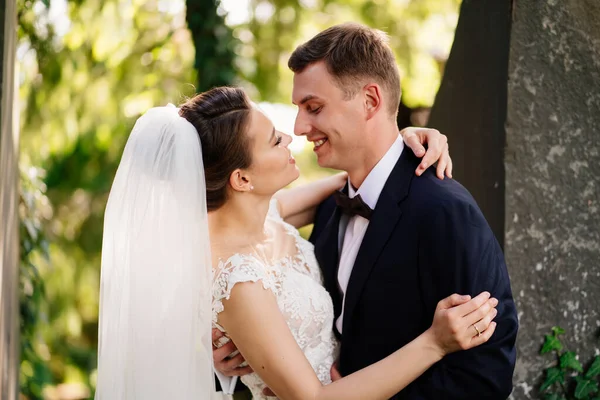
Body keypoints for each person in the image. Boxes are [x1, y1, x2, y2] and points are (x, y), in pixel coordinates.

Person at [94, 86, 498, 400]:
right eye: (273, 140)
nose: (290, 137)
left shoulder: (267, 215)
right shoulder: (238, 280)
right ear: (242, 179)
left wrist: (407, 139)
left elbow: (363, 181)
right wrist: (434, 343)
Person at [214, 23, 519, 399]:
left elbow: (487, 376)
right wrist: (235, 352)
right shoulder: (329, 208)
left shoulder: (445, 211)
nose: (299, 127)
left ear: (370, 101)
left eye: (314, 107)